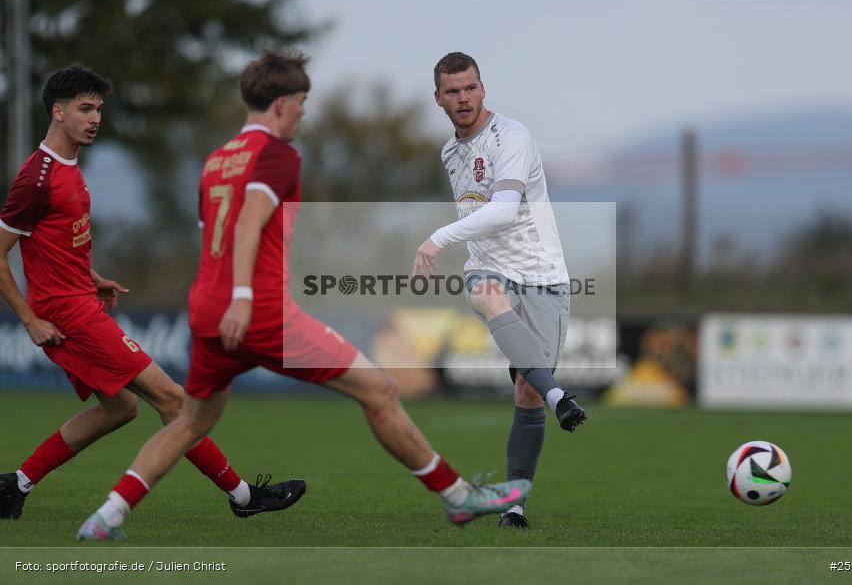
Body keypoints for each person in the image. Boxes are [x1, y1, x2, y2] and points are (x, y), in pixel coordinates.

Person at [77, 50, 530, 541]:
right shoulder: (277, 154)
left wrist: (230, 297)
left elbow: (212, 234)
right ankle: (458, 497)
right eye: (300, 102)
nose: (304, 112)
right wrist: (247, 296)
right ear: (279, 105)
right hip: (259, 313)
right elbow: (249, 222)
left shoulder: (218, 159)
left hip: (208, 309)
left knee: (191, 419)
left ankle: (107, 515)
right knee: (379, 391)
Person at [0, 66, 304, 528]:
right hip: (65, 314)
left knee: (122, 407)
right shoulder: (38, 177)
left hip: (78, 298)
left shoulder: (69, 167)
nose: (95, 117)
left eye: (99, 108)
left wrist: (91, 273)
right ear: (57, 112)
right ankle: (244, 497)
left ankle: (14, 485)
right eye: (85, 108)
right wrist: (28, 318)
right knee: (172, 398)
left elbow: (51, 241)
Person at [412, 52, 587, 530]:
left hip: (543, 273)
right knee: (485, 292)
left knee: (527, 392)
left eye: (469, 88)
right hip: (489, 267)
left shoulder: (513, 137)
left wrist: (437, 238)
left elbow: (506, 209)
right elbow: (478, 218)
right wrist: (455, 242)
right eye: (452, 91)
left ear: (483, 89)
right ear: (438, 99)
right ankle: (561, 399)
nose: (462, 98)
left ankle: (514, 507)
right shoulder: (450, 152)